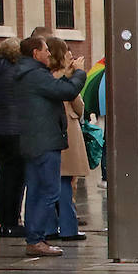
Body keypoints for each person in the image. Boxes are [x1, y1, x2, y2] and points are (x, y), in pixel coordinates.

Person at [13, 35, 86, 258]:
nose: (48, 54)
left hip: (33, 141)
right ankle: (36, 239)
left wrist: (67, 76)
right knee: (48, 190)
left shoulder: (27, 73)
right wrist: (80, 73)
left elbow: (53, 89)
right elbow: (64, 92)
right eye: (45, 50)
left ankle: (36, 237)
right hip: (44, 141)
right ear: (35, 53)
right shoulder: (34, 74)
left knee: (36, 190)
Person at [45, 38, 91, 241]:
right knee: (65, 181)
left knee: (50, 182)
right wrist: (78, 75)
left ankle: (48, 227)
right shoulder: (63, 78)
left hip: (51, 134)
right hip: (67, 132)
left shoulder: (44, 76)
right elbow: (79, 106)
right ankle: (68, 227)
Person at [0, 38, 24, 238]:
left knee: (3, 176)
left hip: (0, 131)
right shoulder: (16, 72)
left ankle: (1, 220)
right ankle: (11, 222)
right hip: (15, 131)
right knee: (15, 180)